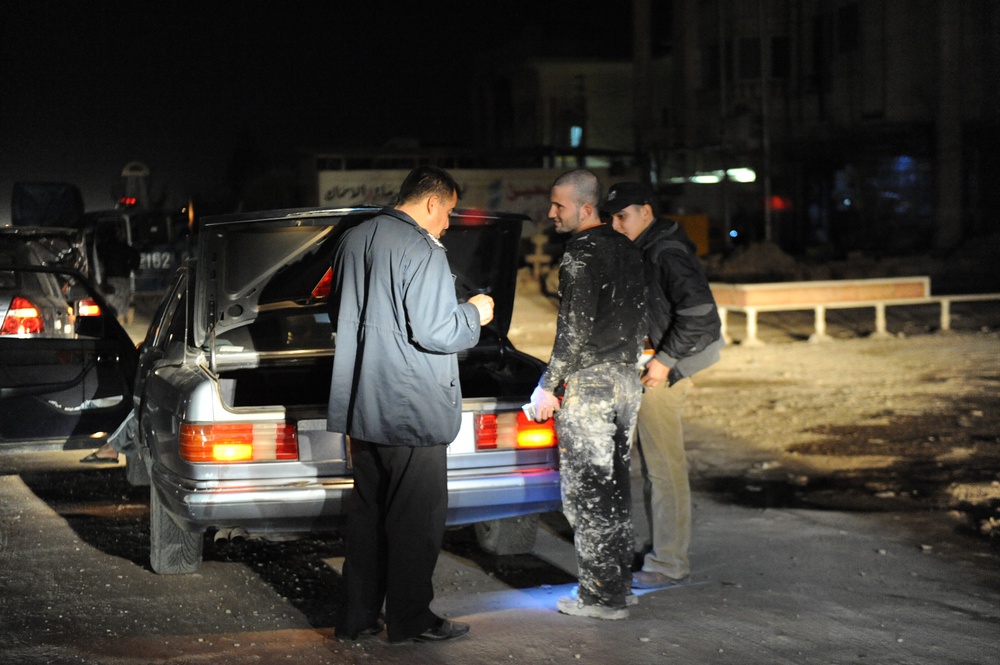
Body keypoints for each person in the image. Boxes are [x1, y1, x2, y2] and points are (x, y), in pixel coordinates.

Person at [327, 166, 494, 644]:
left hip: (365, 403)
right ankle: (410, 620)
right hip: (413, 408)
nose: (448, 224)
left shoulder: (355, 239)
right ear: (431, 204)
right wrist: (475, 313)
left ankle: (356, 617)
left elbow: (341, 310)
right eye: (449, 213)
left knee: (367, 517)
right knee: (415, 523)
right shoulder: (423, 249)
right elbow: (437, 331)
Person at [529, 169, 646, 620]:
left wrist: (548, 384)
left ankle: (601, 598)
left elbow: (573, 330)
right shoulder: (627, 248)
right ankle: (618, 584)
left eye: (559, 206)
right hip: (626, 383)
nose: (551, 213)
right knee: (615, 488)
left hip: (592, 387)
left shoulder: (581, 253)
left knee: (588, 494)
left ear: (586, 207)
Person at [600, 182, 725, 589]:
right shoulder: (643, 247)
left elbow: (702, 314)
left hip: (661, 373)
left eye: (623, 216)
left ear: (646, 212)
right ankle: (657, 553)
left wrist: (664, 362)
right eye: (612, 217)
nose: (616, 225)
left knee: (664, 469)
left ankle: (669, 562)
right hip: (644, 365)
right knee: (652, 467)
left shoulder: (665, 251)